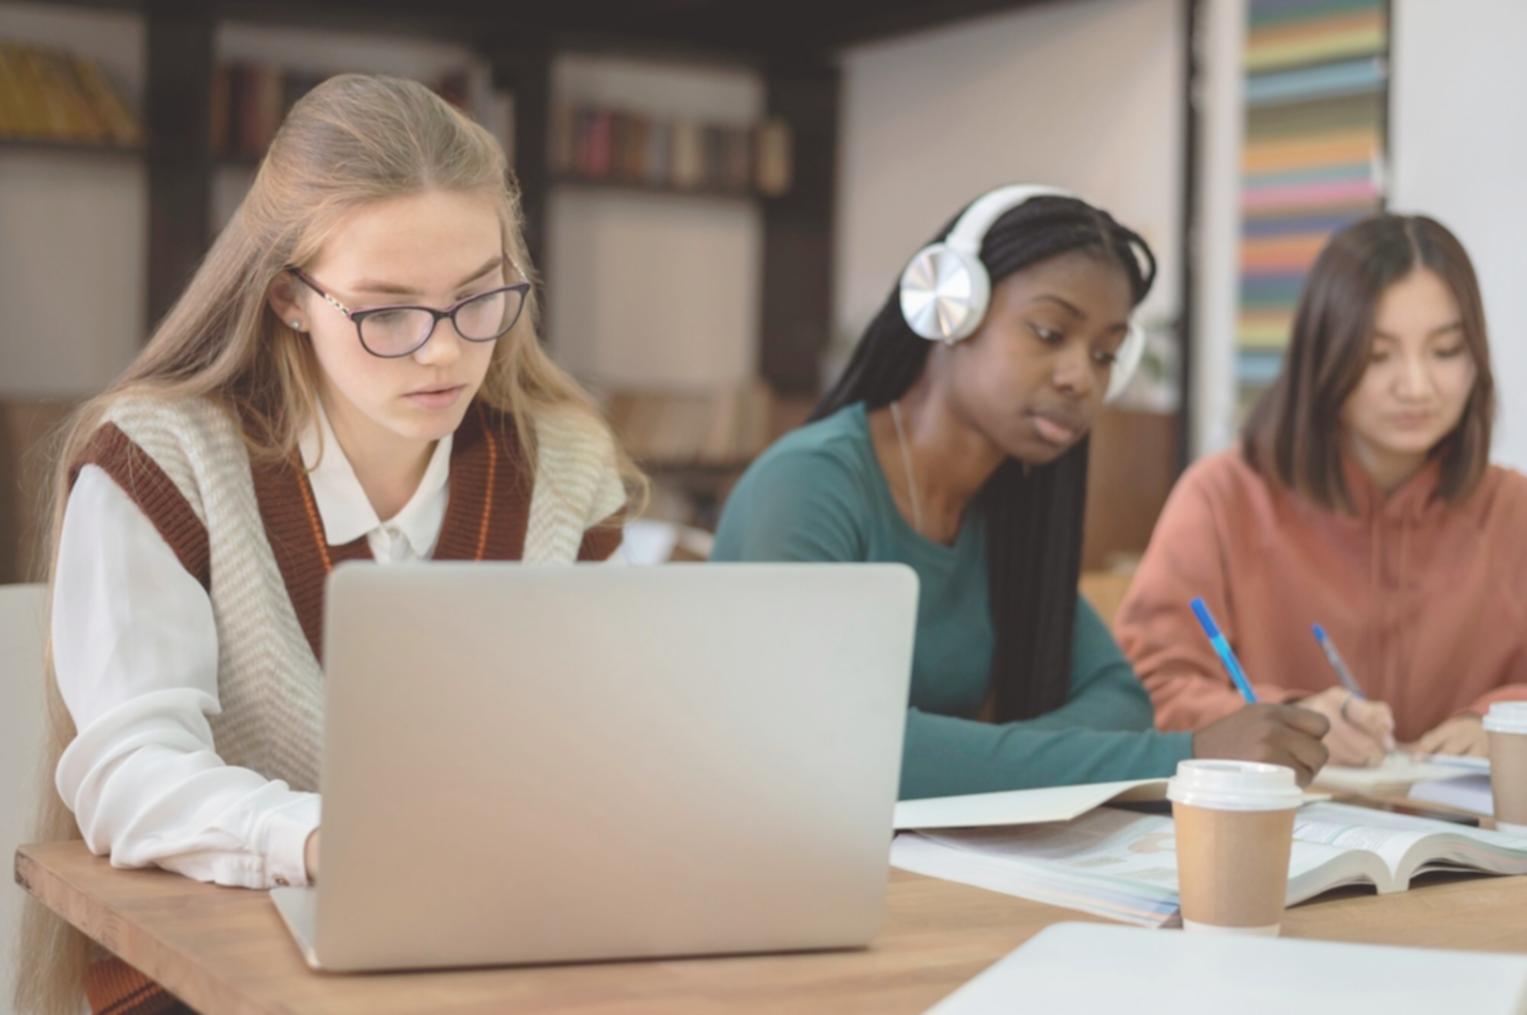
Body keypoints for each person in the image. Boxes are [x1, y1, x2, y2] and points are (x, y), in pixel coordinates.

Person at [18, 74, 640, 1015]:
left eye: (478, 298)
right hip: (209, 966)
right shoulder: (162, 458)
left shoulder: (566, 464)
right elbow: (127, 775)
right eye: (386, 311)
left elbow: (597, 748)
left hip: (489, 954)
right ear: (288, 299)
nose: (443, 351)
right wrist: (330, 838)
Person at [711, 185, 1329, 801]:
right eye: (1049, 332)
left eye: (1105, 354)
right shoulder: (807, 487)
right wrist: (1187, 757)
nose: (1080, 378)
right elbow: (832, 744)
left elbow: (1119, 698)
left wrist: (980, 761)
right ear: (950, 308)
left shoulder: (1006, 514)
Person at [1116, 214, 1527, 765]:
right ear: (1323, 355)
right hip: (1283, 835)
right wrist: (1287, 720)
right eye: (1378, 355)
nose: (1416, 385)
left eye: (1446, 351)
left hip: (1461, 842)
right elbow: (1147, 688)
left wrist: (1498, 722)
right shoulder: (1223, 498)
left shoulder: (1512, 510)